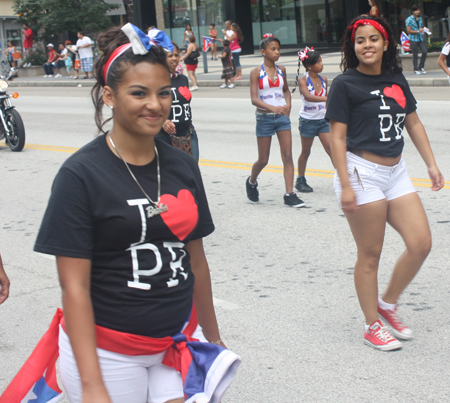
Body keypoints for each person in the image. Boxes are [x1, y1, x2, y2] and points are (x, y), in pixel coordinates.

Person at [34, 23, 239, 403]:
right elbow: (74, 287)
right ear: (110, 96)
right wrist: (94, 385)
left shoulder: (182, 165)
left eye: (163, 93)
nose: (155, 104)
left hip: (175, 340)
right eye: (139, 93)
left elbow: (196, 262)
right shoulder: (80, 175)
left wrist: (211, 339)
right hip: (107, 350)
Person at [326, 15, 444, 351]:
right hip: (362, 172)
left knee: (421, 243)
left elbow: (414, 123)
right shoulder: (344, 84)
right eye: (360, 40)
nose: (367, 45)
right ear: (353, 46)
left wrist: (432, 165)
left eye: (373, 39)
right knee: (370, 253)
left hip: (396, 172)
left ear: (385, 43)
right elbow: (337, 138)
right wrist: (346, 184)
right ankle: (371, 324)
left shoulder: (396, 77)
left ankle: (387, 303)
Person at [247, 34, 304, 208]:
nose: (277, 52)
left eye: (278, 49)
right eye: (273, 49)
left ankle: (289, 194)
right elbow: (254, 99)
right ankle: (252, 181)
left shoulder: (282, 70)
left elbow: (286, 90)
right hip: (264, 117)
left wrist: (289, 103)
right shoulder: (256, 72)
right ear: (263, 51)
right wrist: (272, 108)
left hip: (281, 117)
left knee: (287, 156)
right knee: (263, 159)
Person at [292, 47, 332, 193]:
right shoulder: (303, 80)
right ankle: (300, 179)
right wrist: (328, 98)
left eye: (322, 61)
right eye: (319, 62)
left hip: (323, 120)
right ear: (309, 65)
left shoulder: (324, 79)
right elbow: (308, 97)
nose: (322, 65)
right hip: (308, 120)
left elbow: (326, 102)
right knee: (306, 151)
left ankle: (343, 178)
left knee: (331, 150)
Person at [160, 41, 200, 161]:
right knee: (171, 175)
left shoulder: (183, 78)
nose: (174, 58)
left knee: (192, 170)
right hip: (164, 136)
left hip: (188, 132)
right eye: (170, 55)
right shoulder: (157, 80)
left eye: (176, 55)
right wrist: (163, 120)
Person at [405, 5, 427, 75]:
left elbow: (421, 28)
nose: (418, 11)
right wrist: (418, 31)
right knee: (415, 54)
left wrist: (424, 30)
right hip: (413, 38)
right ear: (412, 11)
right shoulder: (409, 19)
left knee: (424, 51)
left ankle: (421, 67)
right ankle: (416, 69)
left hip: (420, 38)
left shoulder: (420, 19)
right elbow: (409, 30)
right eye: (416, 10)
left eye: (419, 10)